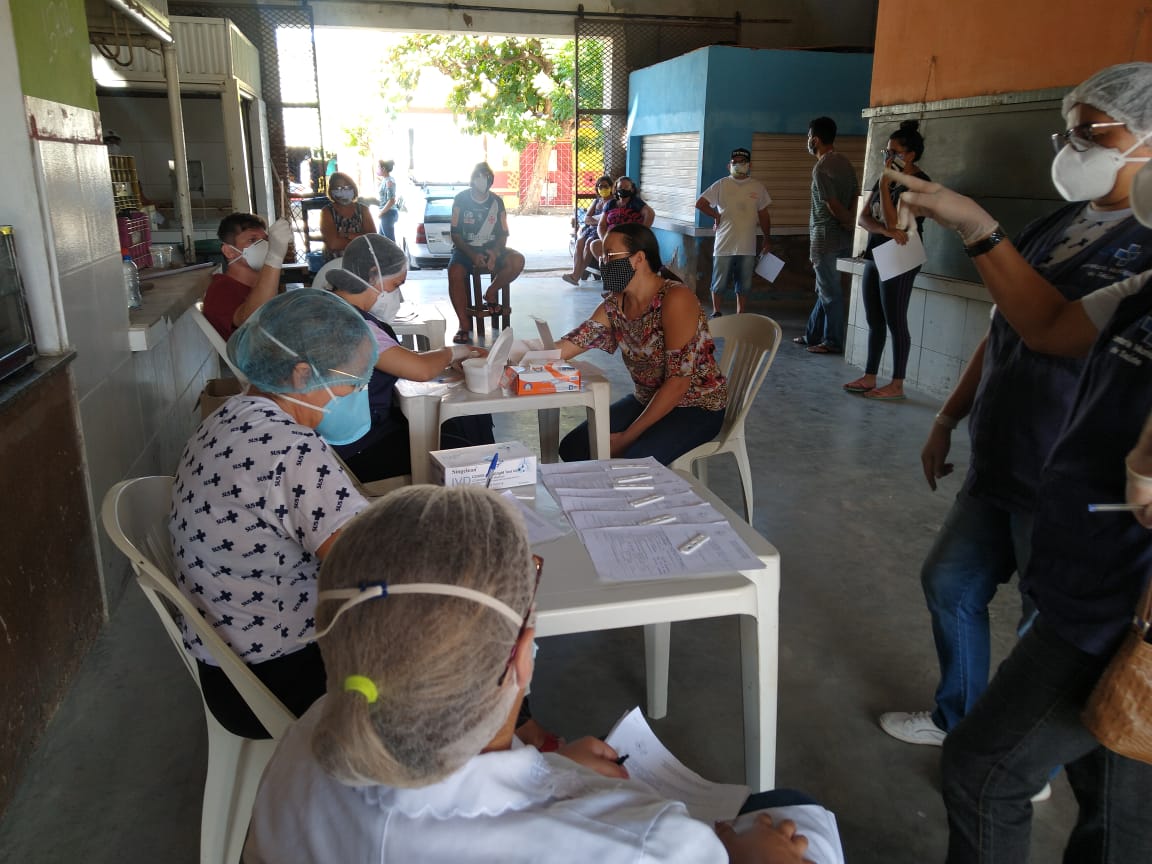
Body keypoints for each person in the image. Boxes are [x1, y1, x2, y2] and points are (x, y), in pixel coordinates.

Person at [244, 484, 838, 863]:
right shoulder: (654, 846)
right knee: (792, 808)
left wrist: (550, 773)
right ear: (522, 658)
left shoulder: (311, 739)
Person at [891, 99, 1152, 863]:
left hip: (1128, 594)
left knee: (1007, 773)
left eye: (1097, 130)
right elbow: (1039, 325)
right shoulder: (1137, 285)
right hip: (1079, 540)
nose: (1074, 145)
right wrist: (977, 224)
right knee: (1106, 783)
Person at [169, 289, 377, 738]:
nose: (359, 392)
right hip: (279, 680)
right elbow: (366, 567)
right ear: (303, 375)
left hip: (229, 671)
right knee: (452, 643)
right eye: (353, 381)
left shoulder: (228, 417)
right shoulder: (292, 451)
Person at [324, 234, 495, 482]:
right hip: (358, 445)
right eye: (395, 285)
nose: (398, 296)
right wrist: (457, 351)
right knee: (465, 452)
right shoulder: (355, 326)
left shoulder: (332, 305)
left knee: (461, 422)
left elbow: (395, 358)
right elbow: (420, 370)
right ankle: (473, 499)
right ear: (373, 274)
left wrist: (443, 358)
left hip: (353, 431)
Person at [557, 223, 728, 465]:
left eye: (610, 256)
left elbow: (678, 383)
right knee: (575, 447)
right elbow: (569, 345)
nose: (603, 263)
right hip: (647, 399)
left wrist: (626, 438)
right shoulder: (616, 304)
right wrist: (504, 354)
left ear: (638, 258)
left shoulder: (675, 299)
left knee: (629, 462)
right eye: (601, 257)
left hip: (696, 405)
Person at [843, 121, 931, 400]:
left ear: (911, 155)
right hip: (876, 251)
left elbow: (896, 221)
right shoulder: (885, 176)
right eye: (886, 151)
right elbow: (864, 217)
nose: (888, 156)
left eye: (894, 152)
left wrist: (884, 184)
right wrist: (881, 230)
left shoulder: (919, 183)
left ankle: (897, 382)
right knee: (874, 318)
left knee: (895, 319)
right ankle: (870, 375)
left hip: (902, 256)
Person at [797, 117, 859, 355]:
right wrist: (850, 223)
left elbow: (831, 203)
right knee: (825, 289)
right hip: (843, 237)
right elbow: (854, 195)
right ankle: (812, 334)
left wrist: (845, 220)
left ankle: (832, 341)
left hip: (825, 238)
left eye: (808, 137)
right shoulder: (845, 162)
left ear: (816, 140)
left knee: (830, 293)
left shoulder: (821, 167)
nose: (808, 142)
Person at [447, 162, 526, 345]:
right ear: (472, 179)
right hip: (465, 250)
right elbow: (456, 234)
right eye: (480, 176)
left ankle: (490, 293)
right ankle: (464, 326)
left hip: (492, 248)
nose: (483, 180)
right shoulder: (461, 200)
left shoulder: (496, 202)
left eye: (487, 177)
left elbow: (503, 233)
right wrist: (472, 255)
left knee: (517, 261)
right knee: (455, 272)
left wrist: (495, 252)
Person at [695, 147, 773, 318]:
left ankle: (740, 314)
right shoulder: (721, 184)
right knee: (719, 282)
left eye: (742, 162)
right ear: (728, 165)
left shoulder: (757, 187)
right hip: (724, 244)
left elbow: (764, 214)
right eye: (735, 162)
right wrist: (716, 215)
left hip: (747, 246)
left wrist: (767, 239)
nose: (738, 165)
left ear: (749, 165)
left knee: (744, 284)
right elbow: (700, 203)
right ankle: (716, 311)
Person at [201, 213, 293, 340]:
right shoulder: (221, 289)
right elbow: (249, 319)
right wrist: (274, 257)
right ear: (229, 251)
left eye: (266, 240)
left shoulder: (260, 285)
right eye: (253, 240)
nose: (264, 245)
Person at [562, 175, 614, 285]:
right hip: (590, 229)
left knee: (589, 244)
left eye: (606, 186)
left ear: (611, 187)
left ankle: (576, 276)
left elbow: (606, 220)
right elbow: (586, 219)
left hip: (602, 231)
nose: (603, 189)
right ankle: (575, 272)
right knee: (579, 242)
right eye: (600, 186)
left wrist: (595, 220)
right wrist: (598, 220)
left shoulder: (613, 203)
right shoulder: (597, 201)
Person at [589, 175, 656, 260]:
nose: (623, 189)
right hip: (611, 239)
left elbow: (650, 214)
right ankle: (611, 269)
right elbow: (601, 225)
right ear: (616, 189)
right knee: (595, 245)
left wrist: (641, 234)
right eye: (620, 187)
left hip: (629, 241)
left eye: (626, 187)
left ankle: (616, 269)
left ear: (631, 189)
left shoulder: (635, 203)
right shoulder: (610, 204)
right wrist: (605, 240)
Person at [320, 171, 375, 261]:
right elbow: (333, 244)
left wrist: (346, 235)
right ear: (331, 191)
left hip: (362, 261)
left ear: (353, 188)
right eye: (338, 188)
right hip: (335, 263)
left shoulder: (363, 210)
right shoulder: (327, 212)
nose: (342, 191)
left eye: (347, 187)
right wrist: (360, 238)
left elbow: (372, 239)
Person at [376, 159, 399, 242]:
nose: (377, 169)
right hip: (386, 214)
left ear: (383, 169)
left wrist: (381, 212)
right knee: (381, 241)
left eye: (378, 167)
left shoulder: (389, 181)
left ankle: (395, 255)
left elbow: (392, 200)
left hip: (388, 214)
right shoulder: (385, 180)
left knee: (390, 242)